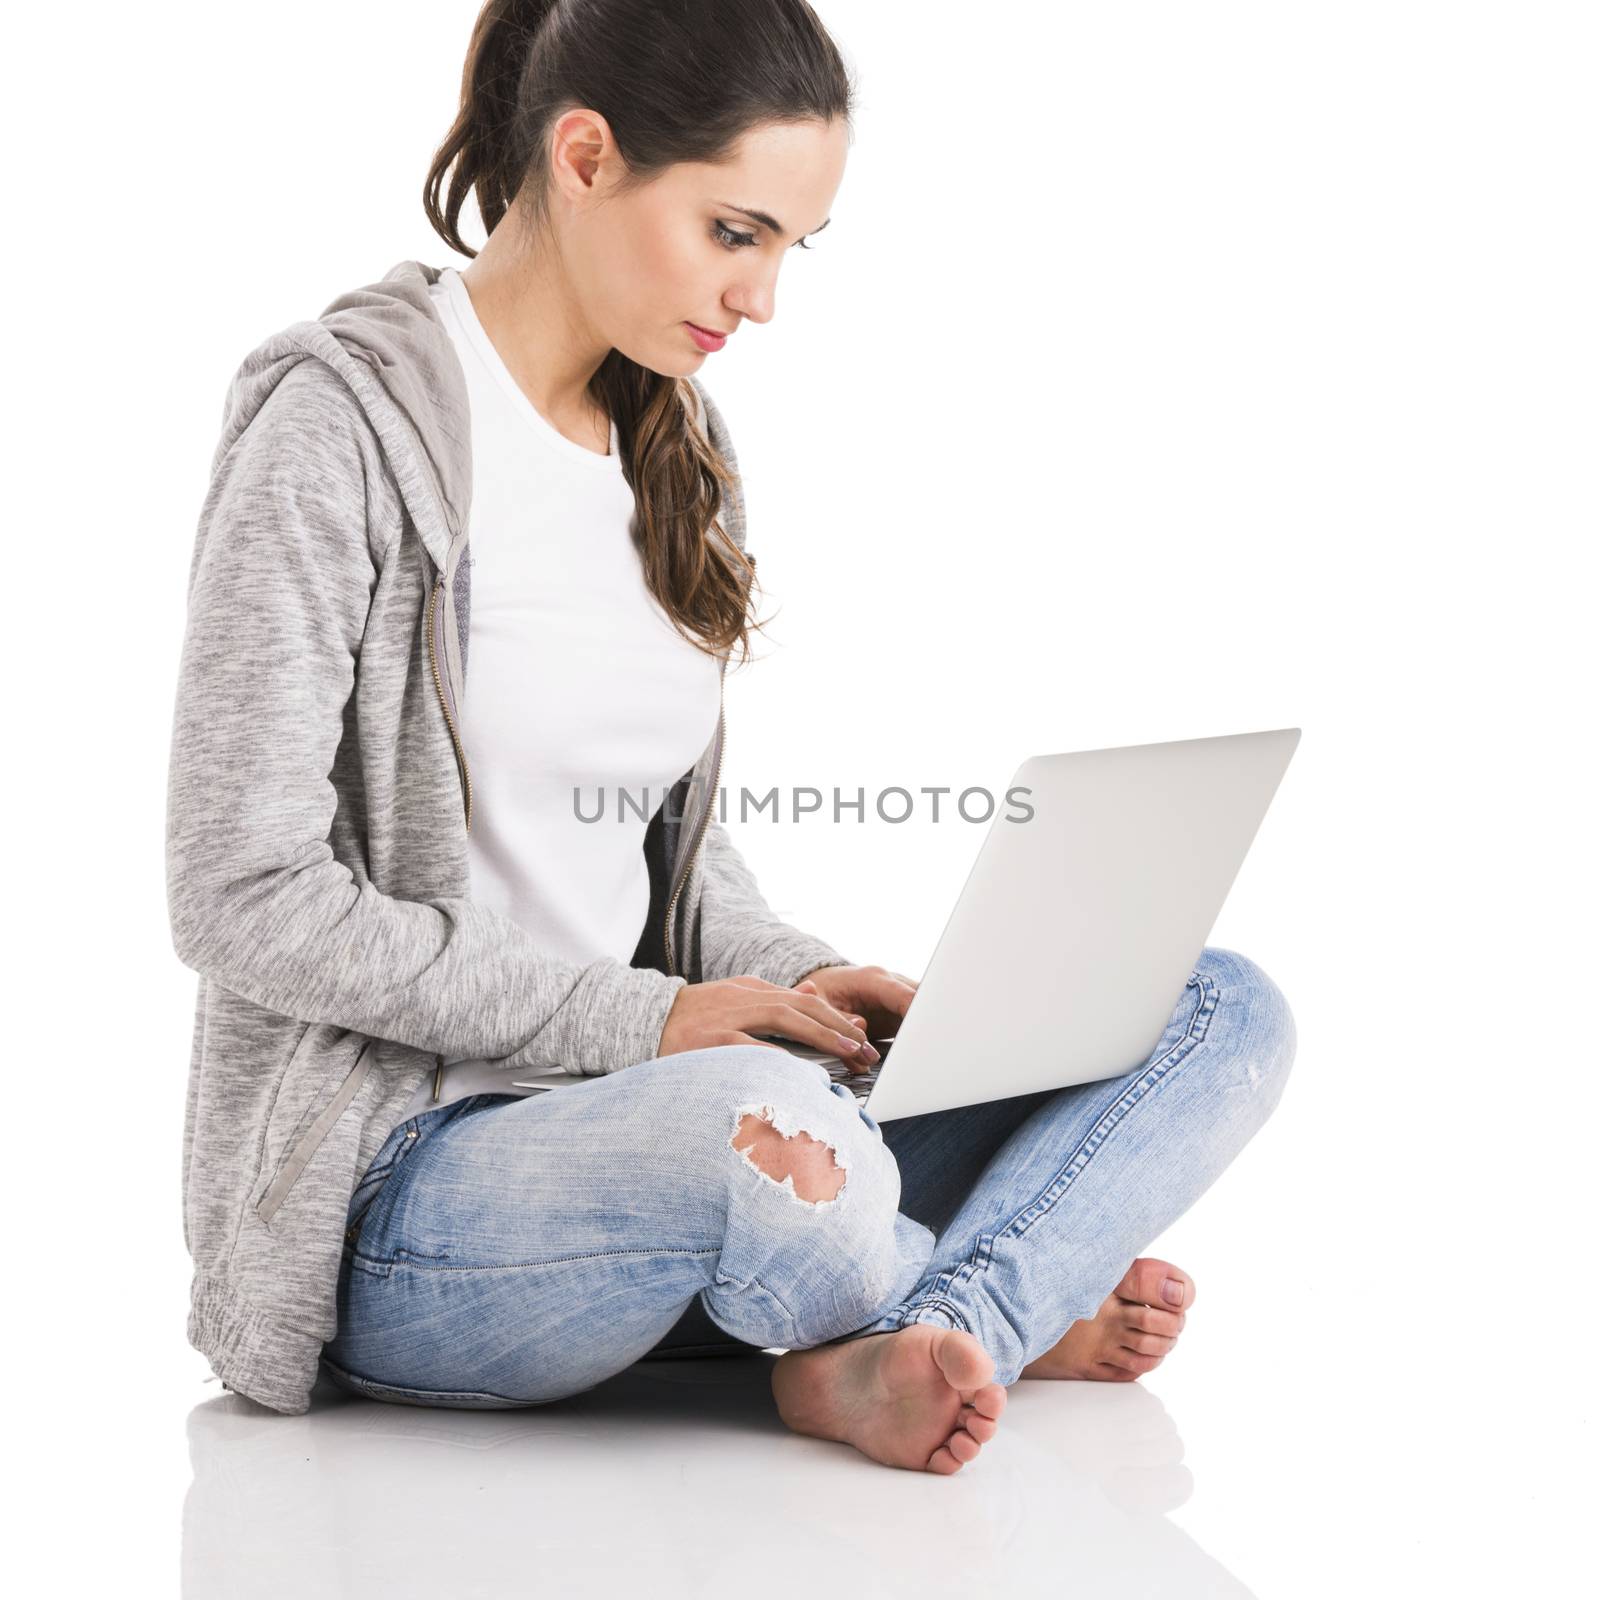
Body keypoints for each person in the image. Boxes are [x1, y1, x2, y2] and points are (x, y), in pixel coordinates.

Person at [166, 0, 1297, 1475]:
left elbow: (660, 867)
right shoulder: (340, 431)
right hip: (412, 1192)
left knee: (1216, 1005)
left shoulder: (673, 449)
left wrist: (796, 977)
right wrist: (648, 1026)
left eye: (789, 251)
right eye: (734, 232)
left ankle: (927, 1321)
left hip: (687, 1108)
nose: (760, 299)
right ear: (584, 155)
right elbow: (239, 893)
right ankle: (992, 1295)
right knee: (762, 1130)